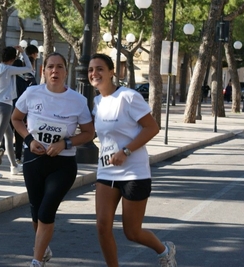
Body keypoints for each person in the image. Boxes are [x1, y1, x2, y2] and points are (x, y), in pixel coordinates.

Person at [88, 54, 177, 267]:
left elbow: (152, 127)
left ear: (112, 72)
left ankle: (165, 250)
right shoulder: (97, 102)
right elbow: (94, 132)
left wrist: (126, 151)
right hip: (106, 171)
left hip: (134, 173)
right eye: (91, 70)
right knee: (102, 226)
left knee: (132, 232)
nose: (94, 73)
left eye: (100, 69)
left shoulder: (128, 97)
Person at [11, 52, 94, 267]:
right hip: (34, 159)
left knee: (47, 210)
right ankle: (42, 247)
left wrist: (65, 144)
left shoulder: (78, 100)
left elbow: (88, 132)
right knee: (36, 211)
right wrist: (29, 140)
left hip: (62, 164)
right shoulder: (31, 93)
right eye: (50, 67)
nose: (54, 71)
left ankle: (36, 261)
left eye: (59, 67)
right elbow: (16, 119)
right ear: (43, 71)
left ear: (66, 72)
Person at [0, 46, 32, 178]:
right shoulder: (8, 69)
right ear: (13, 58)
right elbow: (29, 68)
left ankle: (14, 166)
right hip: (5, 105)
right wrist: (23, 53)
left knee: (9, 135)